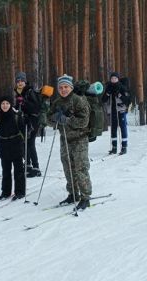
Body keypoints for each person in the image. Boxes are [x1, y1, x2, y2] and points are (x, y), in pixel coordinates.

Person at [47, 74, 92, 210]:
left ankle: (85, 197)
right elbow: (48, 119)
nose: (63, 89)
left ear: (71, 87)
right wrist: (55, 118)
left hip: (80, 139)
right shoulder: (56, 103)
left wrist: (68, 120)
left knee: (80, 168)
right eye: (61, 87)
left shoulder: (78, 101)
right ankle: (73, 194)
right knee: (68, 168)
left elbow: (84, 121)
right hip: (65, 139)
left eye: (66, 87)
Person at [12, 72, 42, 177]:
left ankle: (36, 167)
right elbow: (18, 107)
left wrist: (24, 102)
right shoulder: (19, 93)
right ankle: (28, 166)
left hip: (33, 121)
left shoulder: (30, 91)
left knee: (30, 143)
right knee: (24, 143)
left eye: (22, 81)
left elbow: (35, 108)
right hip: (24, 121)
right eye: (18, 81)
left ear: (25, 81)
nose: (20, 83)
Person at [102, 72, 130, 155]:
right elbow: (103, 100)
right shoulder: (108, 87)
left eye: (115, 78)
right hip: (112, 110)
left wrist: (120, 95)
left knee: (123, 127)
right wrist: (107, 94)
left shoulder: (122, 87)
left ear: (118, 79)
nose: (113, 80)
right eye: (112, 79)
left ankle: (124, 147)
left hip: (121, 110)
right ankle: (114, 147)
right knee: (113, 128)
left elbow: (127, 100)